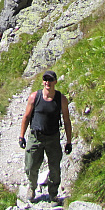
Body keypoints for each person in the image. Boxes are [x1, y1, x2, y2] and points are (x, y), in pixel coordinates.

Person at [18, 70, 72, 201]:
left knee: (55, 167)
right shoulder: (34, 97)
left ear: (55, 82)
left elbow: (66, 120)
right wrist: (21, 136)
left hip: (53, 138)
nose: (48, 82)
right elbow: (26, 117)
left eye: (50, 79)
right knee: (31, 166)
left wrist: (69, 141)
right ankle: (31, 187)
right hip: (35, 137)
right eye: (45, 79)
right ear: (43, 82)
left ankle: (53, 193)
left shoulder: (61, 99)